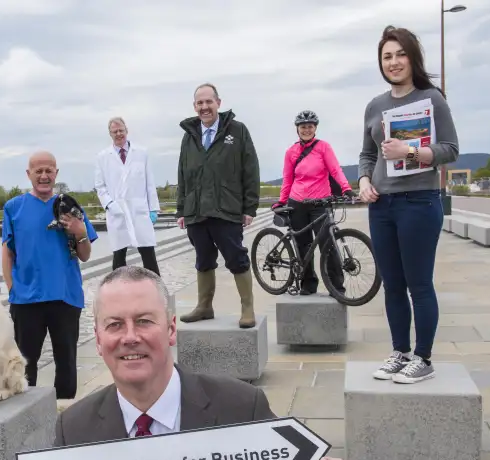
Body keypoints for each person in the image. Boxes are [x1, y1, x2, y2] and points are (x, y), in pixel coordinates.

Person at [0, 266, 345, 460]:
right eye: (115, 325)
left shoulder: (240, 405)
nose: (130, 336)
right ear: (98, 340)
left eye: (144, 321)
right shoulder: (75, 428)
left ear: (171, 329)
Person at [358, 25, 459, 384]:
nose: (394, 62)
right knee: (392, 284)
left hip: (419, 202)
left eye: (400, 54)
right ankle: (399, 352)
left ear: (413, 57)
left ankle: (423, 357)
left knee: (419, 284)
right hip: (382, 206)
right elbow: (367, 154)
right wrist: (364, 180)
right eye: (387, 56)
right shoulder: (375, 105)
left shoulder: (432, 99)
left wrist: (410, 151)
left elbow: (450, 149)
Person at [1, 151, 99, 400]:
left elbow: (85, 255)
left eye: (49, 171)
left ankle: (65, 410)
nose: (44, 176)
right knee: (25, 363)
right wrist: (12, 288)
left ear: (56, 173)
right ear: (29, 174)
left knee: (66, 361)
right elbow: (8, 253)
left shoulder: (71, 208)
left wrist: (79, 232)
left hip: (65, 295)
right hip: (26, 299)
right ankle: (26, 410)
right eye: (38, 171)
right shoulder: (13, 208)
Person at [176, 83, 261, 329]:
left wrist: (249, 207)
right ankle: (204, 306)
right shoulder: (189, 136)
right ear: (195, 106)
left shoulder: (237, 130)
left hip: (227, 208)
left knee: (236, 257)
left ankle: (247, 307)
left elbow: (250, 169)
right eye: (200, 103)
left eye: (208, 102)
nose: (204, 107)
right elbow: (183, 174)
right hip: (196, 210)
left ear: (218, 103)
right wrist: (181, 210)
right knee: (203, 259)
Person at [272, 110, 355, 296]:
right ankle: (308, 284)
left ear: (315, 128)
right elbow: (287, 179)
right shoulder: (291, 152)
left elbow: (335, 170)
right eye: (303, 127)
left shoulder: (323, 147)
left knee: (328, 244)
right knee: (303, 245)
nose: (306, 130)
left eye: (310, 126)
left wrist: (346, 188)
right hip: (297, 203)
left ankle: (336, 287)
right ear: (297, 129)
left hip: (320, 203)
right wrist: (282, 201)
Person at [94, 117, 161, 275]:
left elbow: (149, 183)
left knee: (148, 253)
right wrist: (109, 204)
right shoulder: (103, 157)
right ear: (110, 134)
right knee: (119, 255)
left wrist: (153, 208)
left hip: (139, 210)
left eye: (121, 130)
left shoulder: (141, 153)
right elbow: (100, 186)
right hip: (117, 211)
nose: (118, 134)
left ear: (126, 131)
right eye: (115, 131)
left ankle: (156, 286)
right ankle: (117, 287)